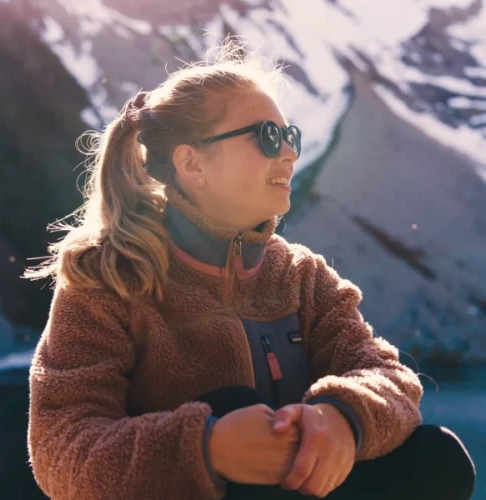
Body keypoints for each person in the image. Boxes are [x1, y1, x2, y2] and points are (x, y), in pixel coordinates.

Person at [26, 41, 475, 500]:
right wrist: (206, 447)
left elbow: (386, 373)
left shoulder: (301, 275)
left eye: (291, 137)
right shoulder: (109, 281)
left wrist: (342, 415)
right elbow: (61, 447)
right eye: (267, 137)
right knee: (230, 407)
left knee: (436, 458)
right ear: (192, 163)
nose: (289, 154)